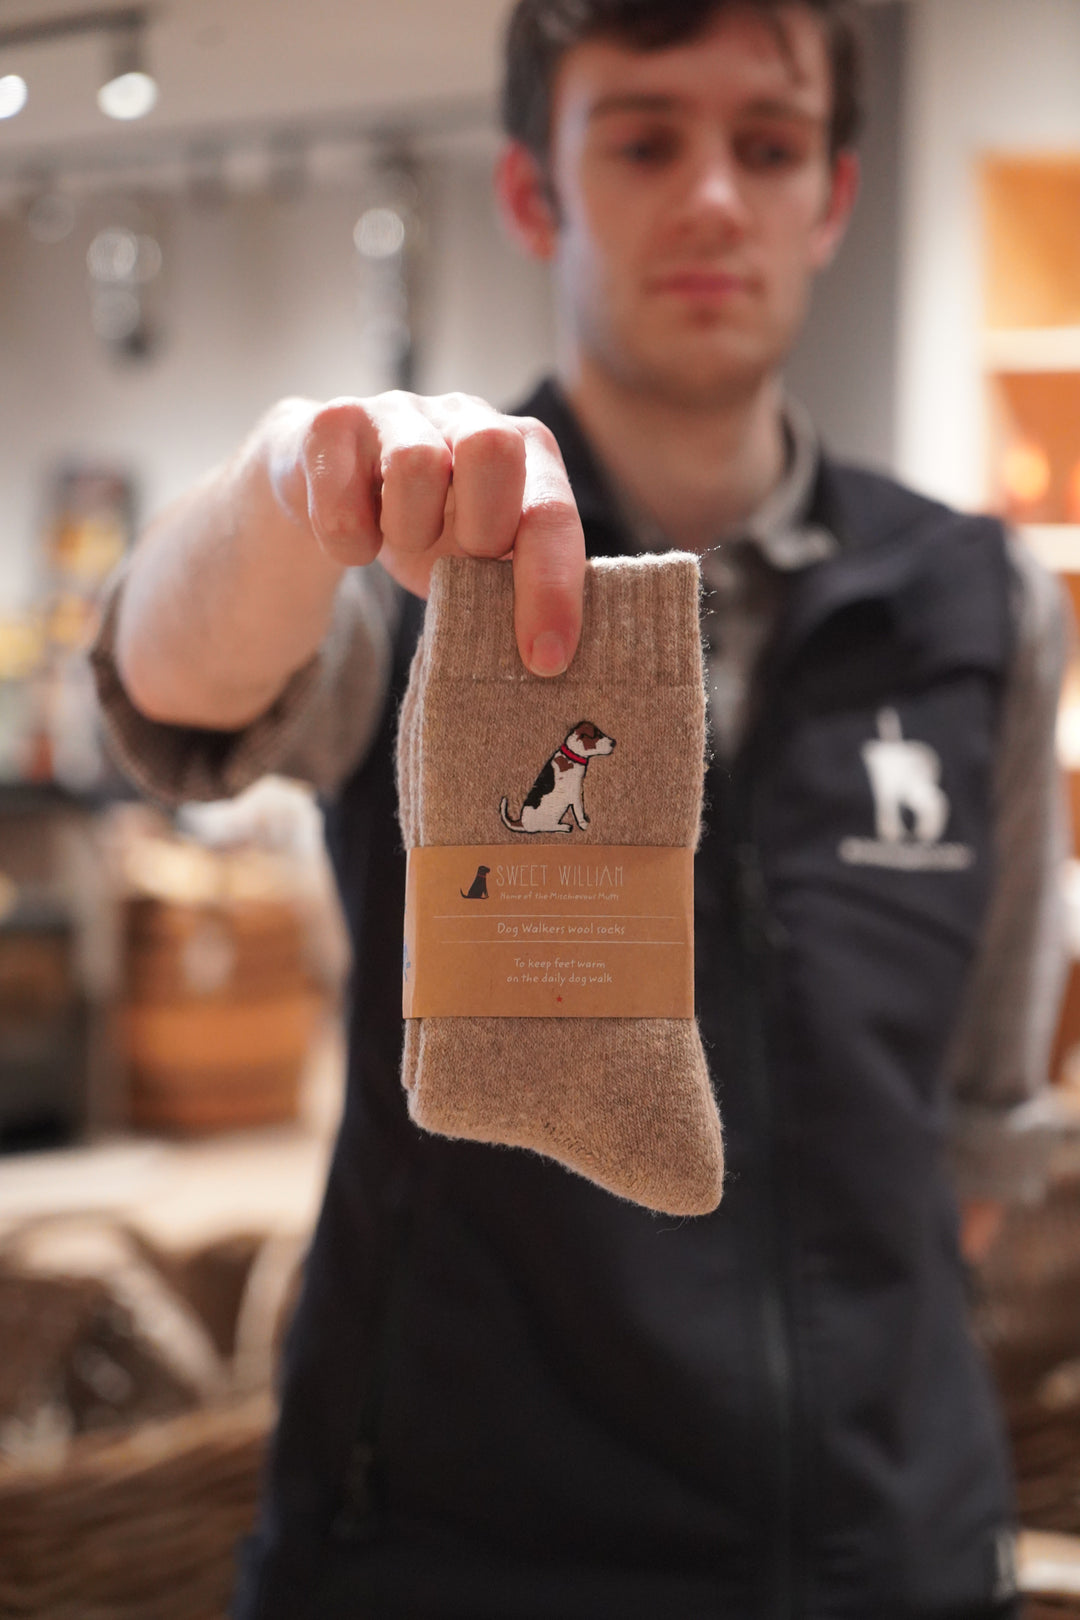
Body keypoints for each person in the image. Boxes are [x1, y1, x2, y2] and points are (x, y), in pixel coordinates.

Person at [91, 1, 1069, 1615]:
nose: (712, 198)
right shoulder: (416, 577)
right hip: (455, 1556)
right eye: (644, 140)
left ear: (832, 196)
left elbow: (973, 1129)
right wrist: (286, 491)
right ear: (532, 192)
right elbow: (168, 684)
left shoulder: (980, 604)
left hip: (882, 1553)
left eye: (767, 146)